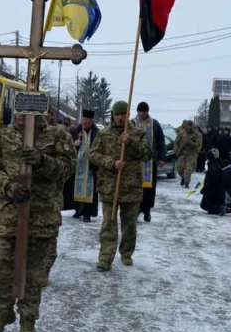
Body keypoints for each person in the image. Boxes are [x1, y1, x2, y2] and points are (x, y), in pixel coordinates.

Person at [0, 112, 75, 332]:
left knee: (34, 271)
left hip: (41, 214)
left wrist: (43, 161)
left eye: (30, 110)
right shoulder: (4, 136)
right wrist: (8, 186)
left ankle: (28, 318)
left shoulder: (58, 135)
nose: (23, 115)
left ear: (45, 112)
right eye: (20, 110)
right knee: (3, 265)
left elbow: (67, 169)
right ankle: (2, 312)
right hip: (8, 213)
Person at [91, 100, 152, 270]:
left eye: (123, 114)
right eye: (116, 114)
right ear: (112, 115)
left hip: (131, 187)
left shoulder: (138, 133)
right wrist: (111, 163)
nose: (119, 117)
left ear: (128, 115)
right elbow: (93, 154)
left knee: (129, 224)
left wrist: (131, 142)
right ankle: (105, 257)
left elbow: (147, 155)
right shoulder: (104, 134)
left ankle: (126, 252)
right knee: (109, 224)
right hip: (109, 187)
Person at [133, 102, 166, 222]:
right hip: (135, 161)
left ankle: (147, 211)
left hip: (150, 162)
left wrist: (162, 157)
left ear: (147, 112)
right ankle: (135, 211)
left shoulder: (155, 124)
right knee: (136, 187)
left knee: (149, 189)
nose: (141, 114)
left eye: (144, 112)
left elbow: (161, 142)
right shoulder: (132, 123)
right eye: (139, 111)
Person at [70, 110, 100, 220]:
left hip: (91, 166)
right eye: (83, 120)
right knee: (77, 187)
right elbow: (68, 146)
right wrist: (74, 144)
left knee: (89, 190)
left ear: (91, 121)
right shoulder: (75, 131)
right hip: (78, 165)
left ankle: (87, 213)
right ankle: (78, 211)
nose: (85, 122)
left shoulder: (97, 133)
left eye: (87, 120)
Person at [174, 120, 203, 188]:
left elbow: (199, 145)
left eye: (190, 127)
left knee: (188, 168)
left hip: (191, 154)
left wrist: (190, 142)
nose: (188, 128)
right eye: (187, 127)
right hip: (182, 153)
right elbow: (176, 142)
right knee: (179, 168)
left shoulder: (197, 134)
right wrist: (176, 150)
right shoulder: (181, 133)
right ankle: (183, 177)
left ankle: (187, 182)